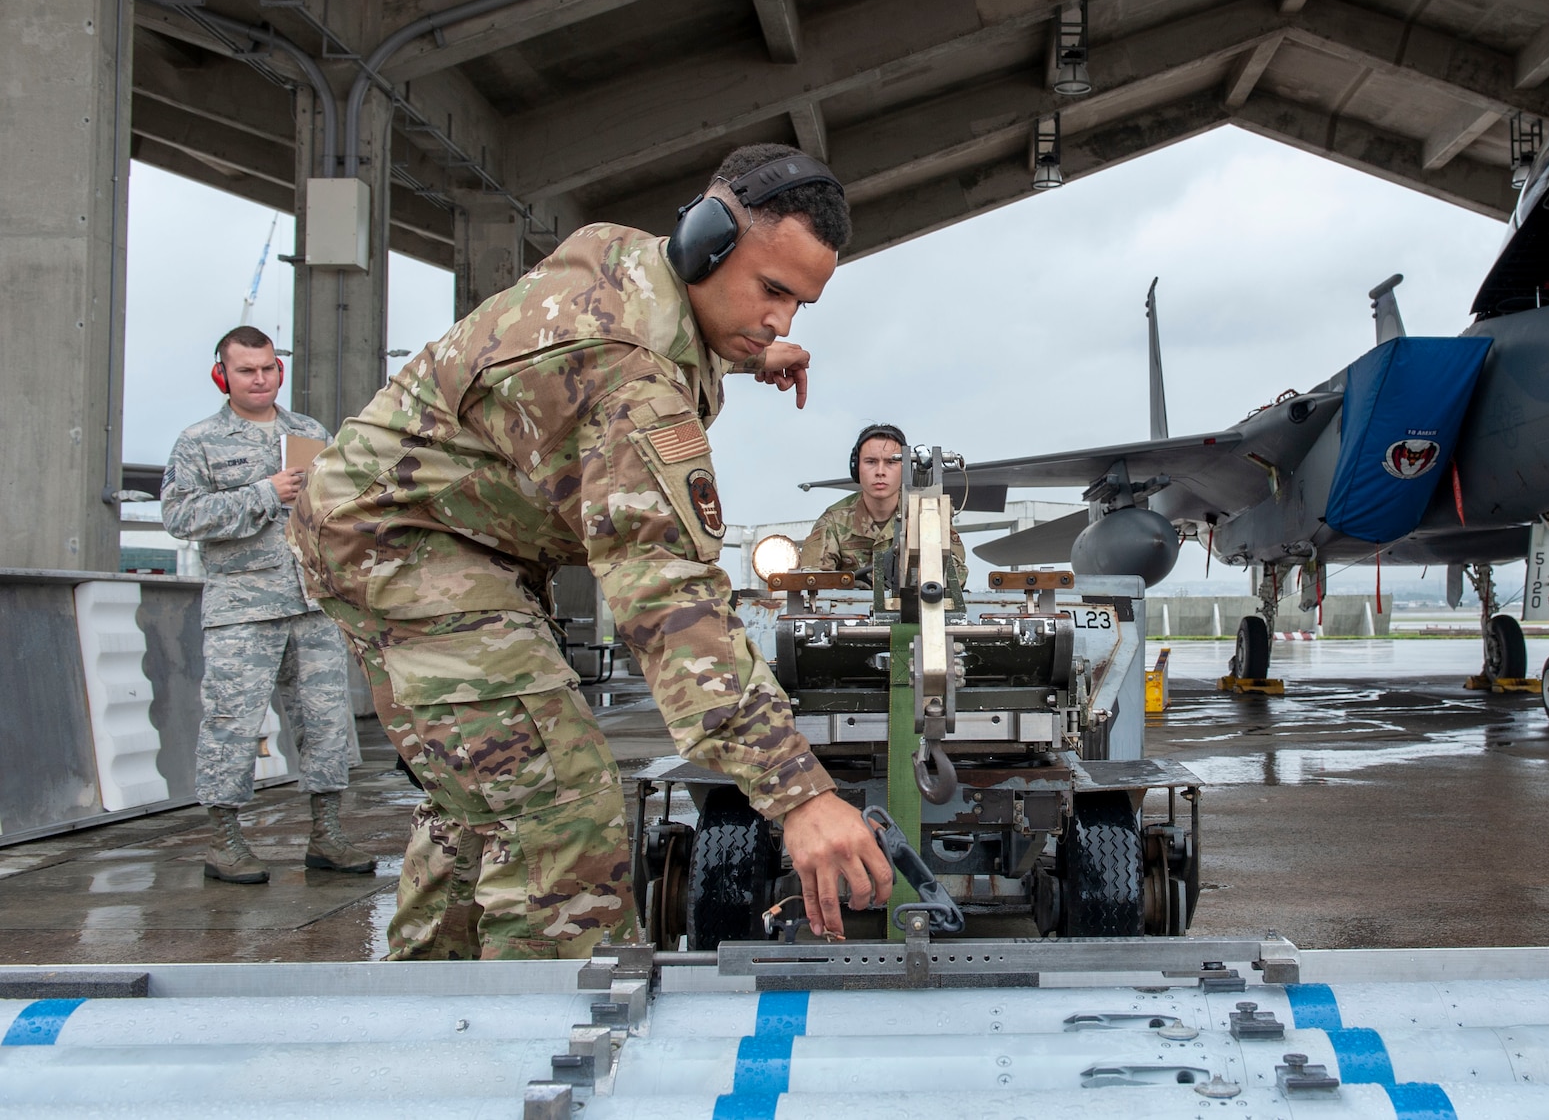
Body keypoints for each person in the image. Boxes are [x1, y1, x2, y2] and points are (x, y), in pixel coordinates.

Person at [288, 144, 892, 960]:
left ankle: (432, 1008)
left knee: (491, 790)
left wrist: (747, 350)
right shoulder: (626, 378)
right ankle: (549, 1048)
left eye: (799, 307)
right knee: (561, 812)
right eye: (772, 291)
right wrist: (797, 792)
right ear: (705, 243)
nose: (781, 321)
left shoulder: (629, 261)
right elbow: (667, 600)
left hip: (441, 530)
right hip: (403, 544)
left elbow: (651, 335)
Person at [161, 326, 376, 884]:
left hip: (311, 602)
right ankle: (225, 840)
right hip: (243, 608)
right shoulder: (199, 441)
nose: (259, 379)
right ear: (222, 376)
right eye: (246, 370)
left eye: (267, 368)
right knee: (233, 725)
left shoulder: (308, 432)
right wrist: (262, 494)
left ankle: (327, 833)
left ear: (279, 371)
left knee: (328, 723)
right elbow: (180, 517)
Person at [799, 424, 968, 585]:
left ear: (905, 469)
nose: (880, 472)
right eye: (871, 462)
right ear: (856, 468)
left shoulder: (926, 513)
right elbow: (813, 581)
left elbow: (956, 576)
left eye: (890, 462)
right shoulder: (834, 521)